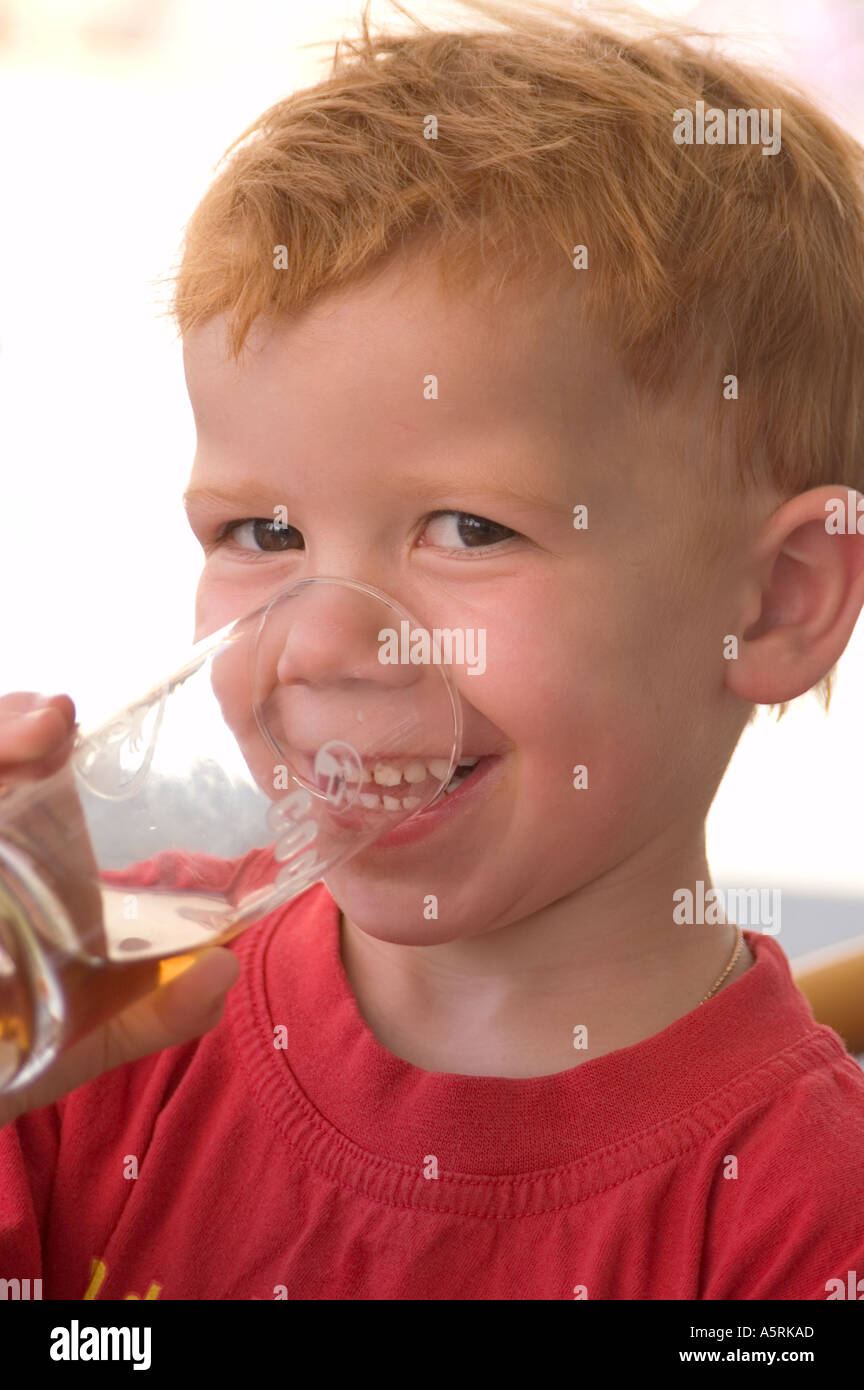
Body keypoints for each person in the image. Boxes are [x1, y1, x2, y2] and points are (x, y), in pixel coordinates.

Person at [2, 0, 864, 1300]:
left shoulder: (805, 1223)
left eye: (468, 527)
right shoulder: (99, 1016)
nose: (326, 640)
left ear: (778, 601)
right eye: (264, 527)